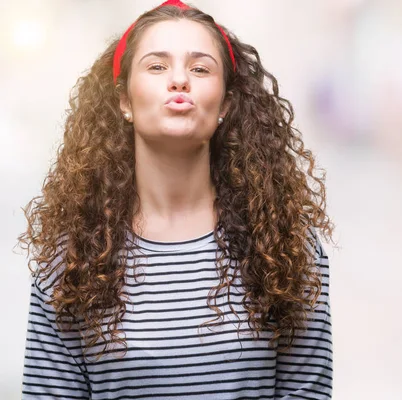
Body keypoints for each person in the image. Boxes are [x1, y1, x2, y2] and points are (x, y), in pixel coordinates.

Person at [18, 1, 334, 398]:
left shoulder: (286, 249)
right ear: (124, 101)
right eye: (157, 66)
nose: (180, 80)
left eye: (200, 68)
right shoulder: (70, 262)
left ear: (226, 105)